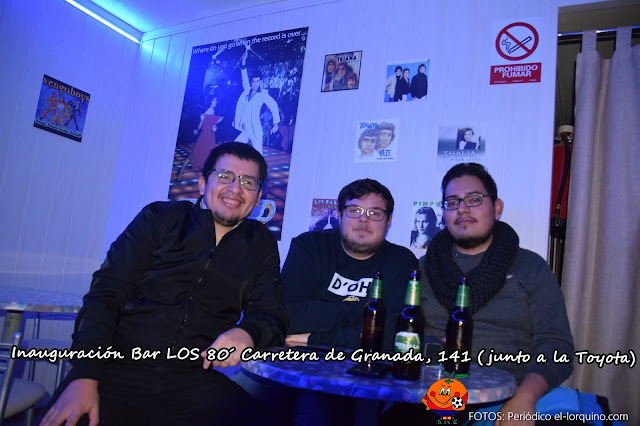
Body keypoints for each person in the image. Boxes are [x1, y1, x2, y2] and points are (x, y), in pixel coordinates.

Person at [41, 142, 287, 426]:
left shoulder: (261, 243)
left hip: (195, 381)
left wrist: (248, 333)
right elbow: (106, 295)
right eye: (224, 176)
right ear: (202, 183)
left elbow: (271, 315)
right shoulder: (159, 218)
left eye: (248, 182)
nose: (235, 188)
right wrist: (84, 374)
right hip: (115, 369)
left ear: (258, 197)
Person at [420, 163, 574, 424]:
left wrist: (525, 397)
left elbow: (556, 346)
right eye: (452, 202)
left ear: (497, 208)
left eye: (474, 199)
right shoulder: (421, 270)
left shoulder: (530, 267)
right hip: (431, 396)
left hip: (511, 396)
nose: (462, 209)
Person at [233, 50, 280, 157]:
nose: (255, 84)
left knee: (258, 155)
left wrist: (276, 123)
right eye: (253, 81)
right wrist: (243, 62)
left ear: (260, 82)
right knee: (233, 149)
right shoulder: (247, 91)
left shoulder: (263, 94)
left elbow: (273, 106)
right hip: (245, 130)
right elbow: (244, 77)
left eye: (257, 81)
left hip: (255, 130)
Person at [176, 97, 224, 181]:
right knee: (194, 154)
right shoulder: (204, 111)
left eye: (216, 101)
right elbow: (198, 127)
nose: (214, 102)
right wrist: (201, 120)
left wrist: (215, 129)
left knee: (209, 156)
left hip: (211, 137)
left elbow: (215, 127)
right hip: (203, 136)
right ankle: (180, 173)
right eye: (213, 100)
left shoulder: (218, 114)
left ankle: (207, 178)